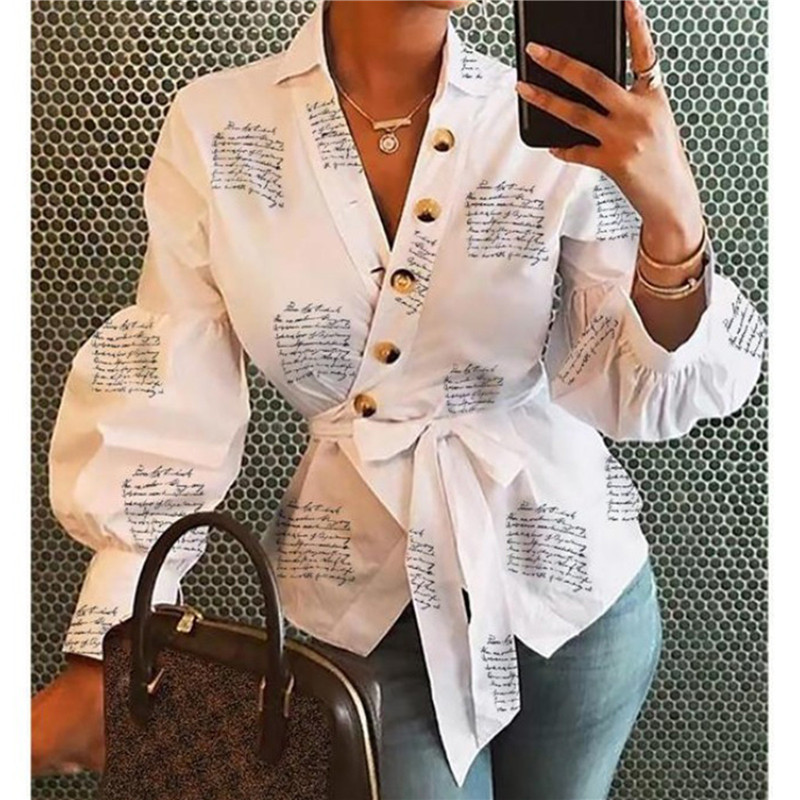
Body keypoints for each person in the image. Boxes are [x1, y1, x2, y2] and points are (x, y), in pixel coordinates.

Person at [32, 0, 766, 797]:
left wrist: (673, 219)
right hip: (361, 608)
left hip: (572, 596)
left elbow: (630, 386)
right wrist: (109, 642)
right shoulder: (219, 127)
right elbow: (171, 386)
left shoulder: (551, 118)